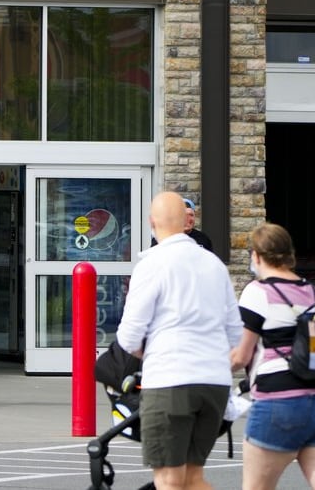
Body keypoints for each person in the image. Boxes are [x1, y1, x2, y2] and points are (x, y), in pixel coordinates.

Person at [116, 191, 241, 490]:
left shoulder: (152, 264)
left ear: (151, 222)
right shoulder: (214, 265)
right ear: (186, 221)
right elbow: (235, 332)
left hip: (170, 379)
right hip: (214, 383)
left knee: (169, 480)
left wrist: (147, 353)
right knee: (194, 477)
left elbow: (129, 335)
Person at [230, 222, 315, 490]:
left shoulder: (258, 291)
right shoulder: (313, 292)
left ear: (256, 256)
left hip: (279, 400)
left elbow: (241, 355)